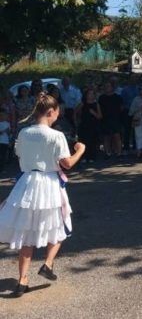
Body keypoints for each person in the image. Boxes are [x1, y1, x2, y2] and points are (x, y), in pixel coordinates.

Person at [0, 93, 85, 297]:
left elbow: (20, 154)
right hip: (48, 183)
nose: (58, 116)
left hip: (27, 183)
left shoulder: (24, 132)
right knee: (59, 224)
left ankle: (22, 279)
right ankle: (47, 263)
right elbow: (67, 164)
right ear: (50, 112)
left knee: (27, 232)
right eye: (57, 113)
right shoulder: (56, 136)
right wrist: (80, 150)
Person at [76, 88, 102, 163]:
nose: (90, 96)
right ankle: (84, 157)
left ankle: (92, 157)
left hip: (93, 125)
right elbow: (76, 112)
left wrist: (94, 113)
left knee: (92, 141)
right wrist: (77, 121)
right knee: (83, 141)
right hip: (84, 125)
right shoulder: (82, 103)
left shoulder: (96, 104)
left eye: (92, 94)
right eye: (89, 94)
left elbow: (100, 116)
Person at [98, 81, 123, 158]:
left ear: (112, 87)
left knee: (117, 136)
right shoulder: (101, 98)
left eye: (108, 86)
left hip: (115, 119)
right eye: (105, 86)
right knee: (106, 137)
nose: (107, 88)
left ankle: (119, 153)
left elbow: (121, 108)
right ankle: (107, 152)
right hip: (105, 119)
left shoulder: (118, 97)